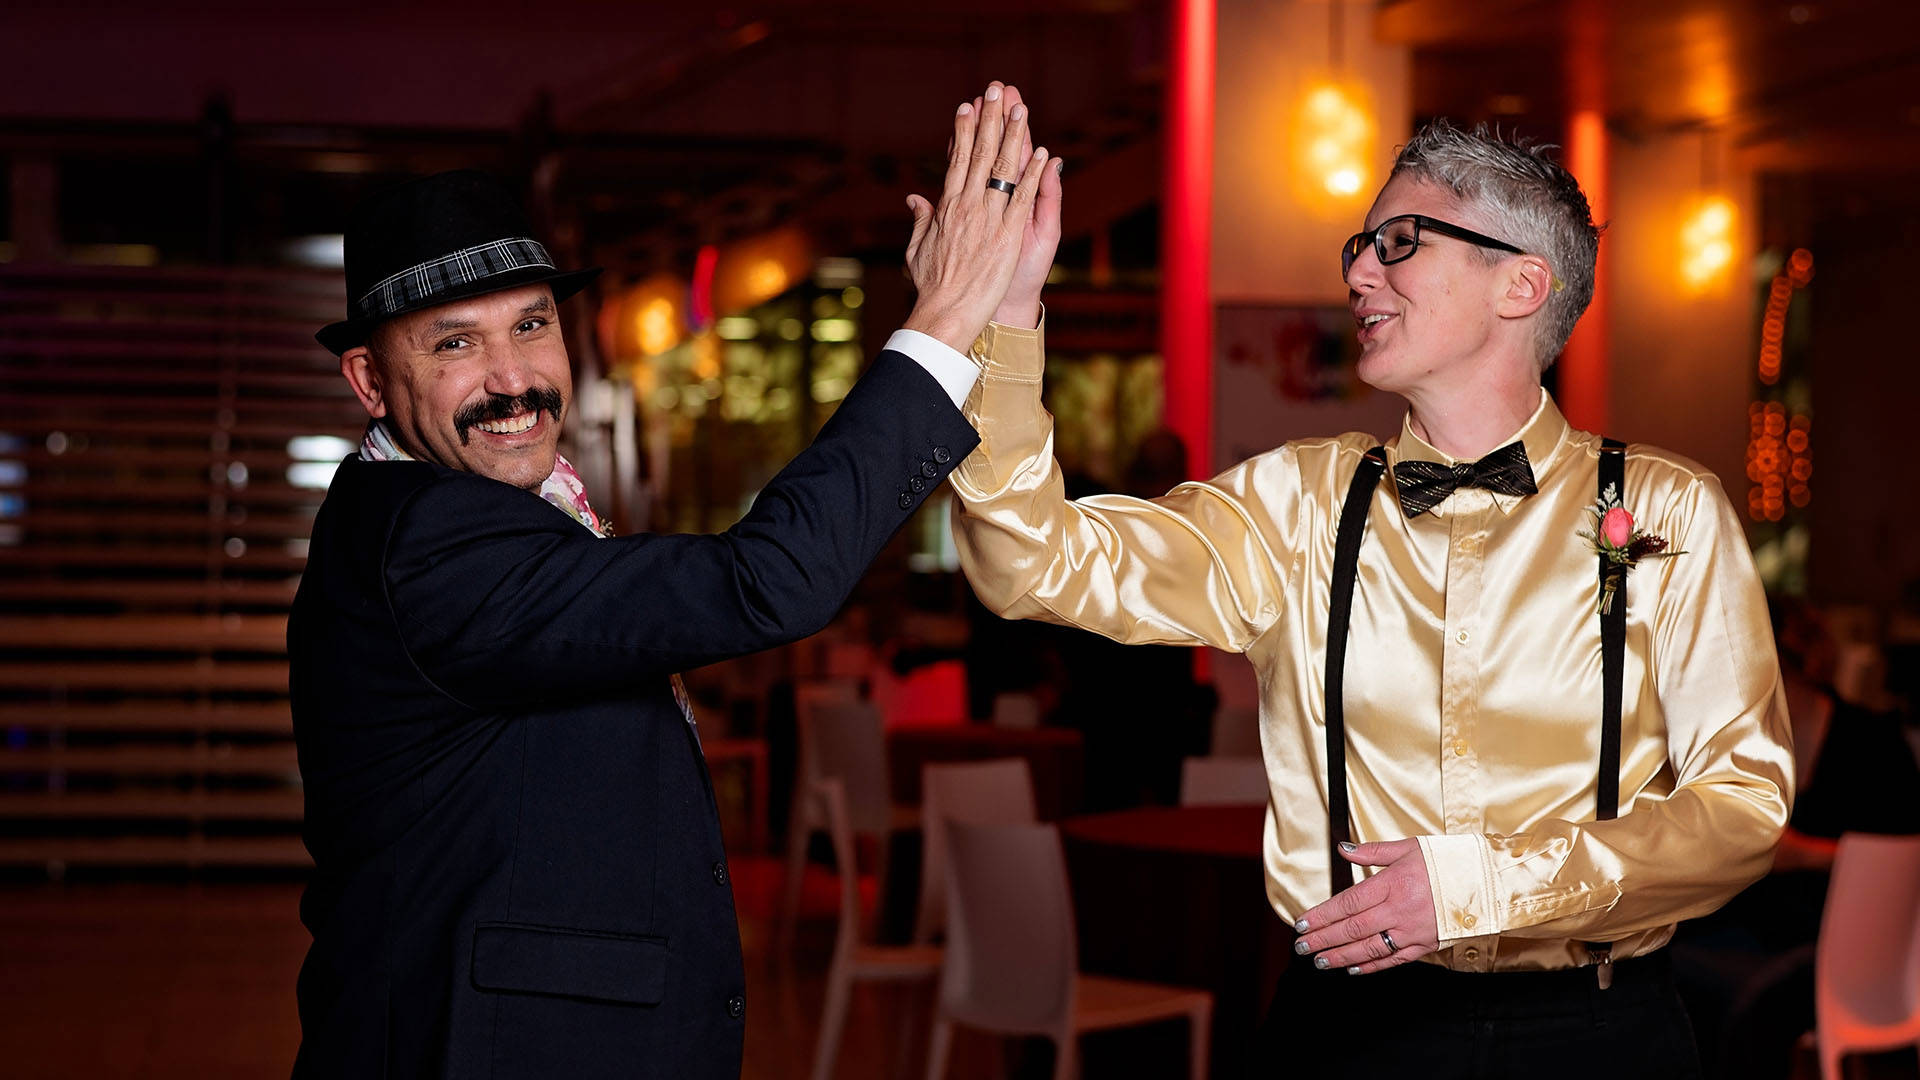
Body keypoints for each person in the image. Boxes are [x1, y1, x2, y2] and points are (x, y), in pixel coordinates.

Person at [951, 117, 1792, 1077]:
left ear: (1521, 286)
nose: (1357, 274)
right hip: (1349, 1033)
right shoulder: (1298, 503)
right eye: (1361, 246)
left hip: (1600, 1039)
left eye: (1399, 243)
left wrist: (1484, 886)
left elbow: (1742, 810)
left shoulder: (1666, 509)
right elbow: (1029, 562)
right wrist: (1007, 317)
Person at [290, 83, 1058, 1079]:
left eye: (530, 325)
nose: (512, 378)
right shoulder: (428, 540)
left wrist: (994, 315)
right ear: (369, 382)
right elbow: (767, 579)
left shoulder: (495, 511)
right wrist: (945, 318)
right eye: (455, 343)